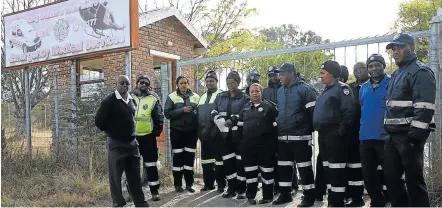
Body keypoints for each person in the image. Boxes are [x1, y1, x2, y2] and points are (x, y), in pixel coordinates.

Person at [383, 33, 436, 207]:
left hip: (409, 138)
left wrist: (414, 138)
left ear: (411, 48)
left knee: (414, 182)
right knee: (392, 180)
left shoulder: (420, 71)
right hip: (392, 136)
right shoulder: (398, 73)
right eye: (393, 49)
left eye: (399, 47)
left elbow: (425, 108)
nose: (395, 52)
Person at [95, 75, 150, 207]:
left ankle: (140, 202)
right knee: (115, 177)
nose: (124, 86)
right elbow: (99, 122)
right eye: (122, 83)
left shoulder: (132, 100)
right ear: (116, 84)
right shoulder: (109, 101)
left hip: (132, 145)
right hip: (116, 145)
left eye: (127, 84)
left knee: (134, 176)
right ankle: (118, 204)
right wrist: (113, 131)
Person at [272, 63, 317, 207]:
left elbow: (313, 113)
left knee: (304, 168)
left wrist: (306, 131)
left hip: (300, 138)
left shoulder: (305, 89)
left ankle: (309, 197)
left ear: (292, 73)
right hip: (283, 137)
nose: (280, 77)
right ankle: (285, 195)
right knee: (284, 168)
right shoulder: (280, 91)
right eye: (279, 74)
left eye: (282, 74)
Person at [313, 61, 355, 207]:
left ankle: (337, 202)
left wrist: (340, 133)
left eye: (323, 73)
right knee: (328, 168)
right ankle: (332, 199)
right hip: (324, 135)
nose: (321, 76)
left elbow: (349, 112)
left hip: (335, 135)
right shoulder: (326, 90)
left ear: (331, 74)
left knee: (337, 169)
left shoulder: (342, 89)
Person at [236, 83, 278, 205]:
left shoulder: (269, 107)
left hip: (265, 148)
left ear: (261, 92)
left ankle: (268, 196)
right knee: (250, 173)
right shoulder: (244, 108)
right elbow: (239, 128)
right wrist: (241, 145)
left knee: (267, 173)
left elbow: (276, 128)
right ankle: (250, 195)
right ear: (249, 94)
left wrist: (273, 147)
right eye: (252, 91)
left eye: (257, 91)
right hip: (248, 148)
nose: (254, 93)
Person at [211, 71, 250, 199]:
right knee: (228, 163)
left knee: (240, 163)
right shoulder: (221, 96)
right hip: (224, 136)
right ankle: (231, 188)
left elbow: (245, 113)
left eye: (232, 82)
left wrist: (233, 120)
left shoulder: (245, 98)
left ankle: (241, 189)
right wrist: (217, 118)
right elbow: (214, 110)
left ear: (238, 83)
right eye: (228, 83)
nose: (230, 85)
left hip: (238, 136)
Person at [359, 54, 390, 207]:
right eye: (370, 66)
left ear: (383, 66)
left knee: (390, 173)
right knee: (368, 175)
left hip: (385, 137)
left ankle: (391, 200)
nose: (374, 68)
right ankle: (377, 201)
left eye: (377, 65)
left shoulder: (392, 83)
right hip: (365, 137)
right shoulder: (363, 88)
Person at [262, 66, 299, 195]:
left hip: (284, 127)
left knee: (288, 159)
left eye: (275, 75)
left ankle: (293, 185)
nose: (273, 77)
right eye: (270, 75)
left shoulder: (285, 88)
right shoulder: (265, 91)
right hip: (270, 129)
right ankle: (276, 185)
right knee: (273, 157)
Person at [164, 76, 200, 193]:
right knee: (178, 159)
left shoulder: (195, 97)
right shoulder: (172, 97)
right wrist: (182, 110)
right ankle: (178, 184)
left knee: (189, 159)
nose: (183, 85)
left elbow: (199, 113)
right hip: (177, 132)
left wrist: (194, 112)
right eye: (181, 83)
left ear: (188, 84)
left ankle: (189, 184)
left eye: (185, 83)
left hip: (191, 133)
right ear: (177, 85)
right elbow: (167, 113)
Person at [131, 75, 164, 201]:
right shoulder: (130, 97)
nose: (143, 84)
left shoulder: (153, 98)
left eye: (146, 82)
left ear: (149, 85)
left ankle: (154, 191)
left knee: (151, 165)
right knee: (132, 166)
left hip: (148, 138)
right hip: (132, 138)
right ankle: (133, 193)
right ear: (137, 83)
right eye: (141, 82)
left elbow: (159, 118)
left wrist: (154, 133)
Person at [197, 70, 226, 193]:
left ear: (216, 82)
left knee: (219, 161)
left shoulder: (221, 95)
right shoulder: (202, 96)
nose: (209, 83)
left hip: (217, 134)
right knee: (206, 160)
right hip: (204, 134)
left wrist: (217, 130)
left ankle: (220, 184)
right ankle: (208, 184)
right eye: (207, 81)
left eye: (212, 81)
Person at [343, 64, 366, 207]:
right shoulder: (349, 88)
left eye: (362, 69)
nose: (358, 72)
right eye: (356, 70)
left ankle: (382, 195)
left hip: (370, 130)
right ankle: (356, 197)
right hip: (352, 131)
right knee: (354, 165)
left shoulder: (372, 86)